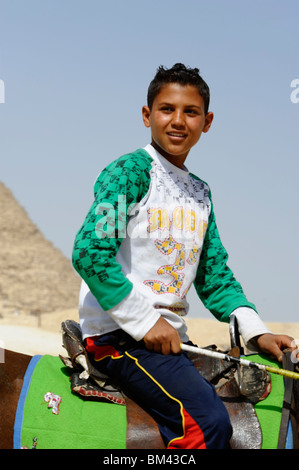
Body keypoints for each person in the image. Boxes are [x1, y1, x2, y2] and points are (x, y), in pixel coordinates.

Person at [72, 63, 294, 449]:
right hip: (120, 337)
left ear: (207, 122)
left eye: (190, 112)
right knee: (207, 425)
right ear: (147, 115)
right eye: (166, 109)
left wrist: (258, 332)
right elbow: (90, 253)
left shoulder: (200, 194)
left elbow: (214, 276)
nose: (178, 121)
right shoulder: (129, 173)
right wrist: (145, 321)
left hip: (170, 339)